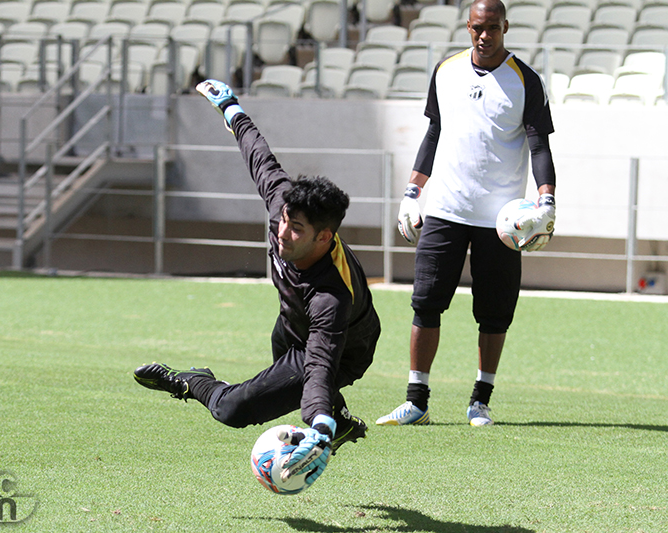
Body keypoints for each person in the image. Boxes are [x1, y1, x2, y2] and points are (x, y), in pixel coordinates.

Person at [134, 79, 381, 486]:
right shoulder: (284, 205)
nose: (282, 231)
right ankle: (340, 421)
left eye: (296, 229)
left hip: (342, 347)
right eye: (283, 220)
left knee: (234, 410)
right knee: (283, 365)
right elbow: (259, 156)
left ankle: (194, 381)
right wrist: (230, 107)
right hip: (291, 325)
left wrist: (317, 426)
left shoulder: (330, 297)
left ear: (324, 237)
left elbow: (320, 365)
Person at [376, 0, 557, 427]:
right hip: (444, 209)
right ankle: (416, 399)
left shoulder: (525, 80)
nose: (484, 36)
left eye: (492, 27)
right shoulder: (445, 71)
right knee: (425, 303)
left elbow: (539, 147)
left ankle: (481, 399)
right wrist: (410, 193)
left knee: (494, 312)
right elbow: (433, 133)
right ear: (468, 27)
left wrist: (546, 200)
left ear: (505, 27)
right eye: (477, 27)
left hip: (501, 221)